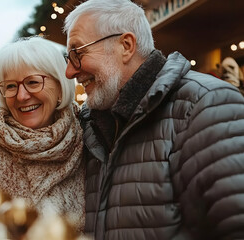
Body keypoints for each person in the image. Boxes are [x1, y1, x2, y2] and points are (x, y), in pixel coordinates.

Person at [63, 0, 244, 239]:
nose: (69, 71)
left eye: (78, 53)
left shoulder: (206, 104)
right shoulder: (90, 124)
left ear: (126, 46)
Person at [0, 37, 85, 231]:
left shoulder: (88, 143)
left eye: (33, 82)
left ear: (60, 87)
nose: (22, 96)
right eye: (10, 86)